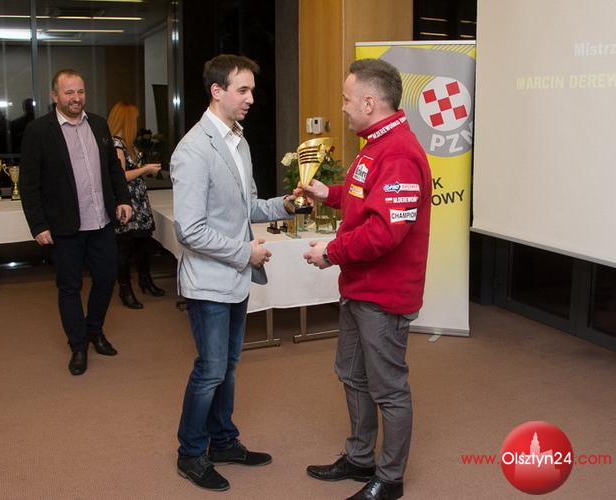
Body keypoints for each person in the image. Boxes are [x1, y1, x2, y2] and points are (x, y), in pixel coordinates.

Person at [300, 58, 432, 500]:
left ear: (370, 102)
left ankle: (389, 479)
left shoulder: (399, 152)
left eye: (347, 98)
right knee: (353, 375)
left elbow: (385, 232)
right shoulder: (375, 144)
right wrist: (329, 194)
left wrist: (331, 252)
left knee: (388, 389)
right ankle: (360, 459)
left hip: (384, 295)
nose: (342, 107)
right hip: (360, 288)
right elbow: (363, 199)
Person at [170, 54, 296, 492]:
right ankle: (191, 453)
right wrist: (245, 253)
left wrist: (286, 205)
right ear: (217, 91)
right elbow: (190, 230)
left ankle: (222, 441)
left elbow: (248, 208)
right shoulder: (192, 150)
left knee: (228, 367)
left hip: (234, 280)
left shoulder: (239, 142)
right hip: (209, 282)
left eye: (252, 90)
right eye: (243, 90)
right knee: (210, 370)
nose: (251, 99)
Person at [19, 69, 133, 376]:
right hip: (64, 227)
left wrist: (123, 199)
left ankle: (94, 331)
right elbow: (28, 185)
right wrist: (38, 225)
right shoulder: (38, 131)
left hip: (102, 222)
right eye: (69, 92)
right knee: (69, 287)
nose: (76, 98)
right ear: (54, 96)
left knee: (106, 279)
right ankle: (78, 346)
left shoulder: (98, 124)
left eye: (80, 91)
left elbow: (113, 168)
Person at [106, 102, 164, 309]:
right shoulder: (116, 144)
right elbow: (120, 176)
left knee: (143, 244)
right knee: (124, 248)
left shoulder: (128, 143)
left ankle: (145, 280)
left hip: (138, 201)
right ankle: (125, 289)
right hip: (127, 202)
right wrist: (145, 169)